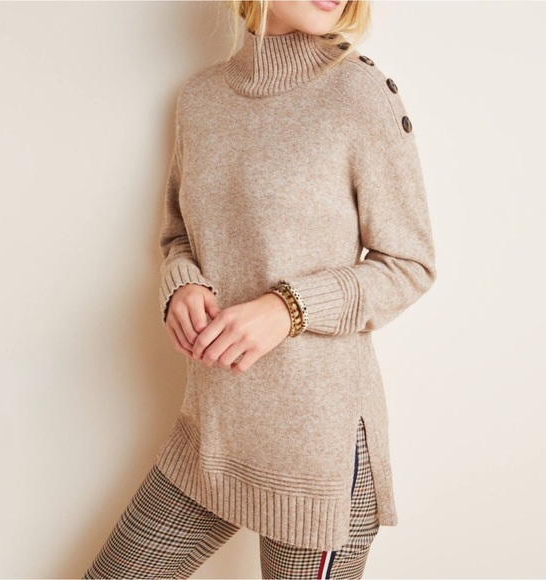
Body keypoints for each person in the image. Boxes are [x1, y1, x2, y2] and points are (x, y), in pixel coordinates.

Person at [82, 1, 437, 578]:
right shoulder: (200, 100)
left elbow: (409, 264)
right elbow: (179, 236)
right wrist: (183, 286)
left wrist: (288, 309)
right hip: (210, 434)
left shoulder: (358, 93)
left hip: (317, 459)